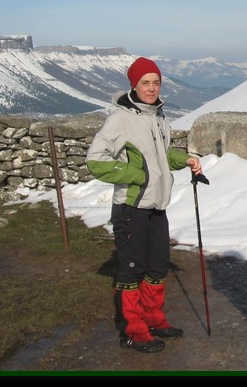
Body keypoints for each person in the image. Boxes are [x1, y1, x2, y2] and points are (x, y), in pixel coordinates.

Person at [86, 56, 203, 353]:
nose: (151, 89)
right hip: (131, 208)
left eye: (156, 83)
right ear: (133, 86)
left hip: (156, 207)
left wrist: (184, 159)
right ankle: (133, 331)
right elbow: (96, 160)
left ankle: (153, 318)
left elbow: (161, 157)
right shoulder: (121, 118)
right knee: (132, 269)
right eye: (145, 83)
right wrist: (135, 175)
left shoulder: (159, 117)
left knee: (158, 265)